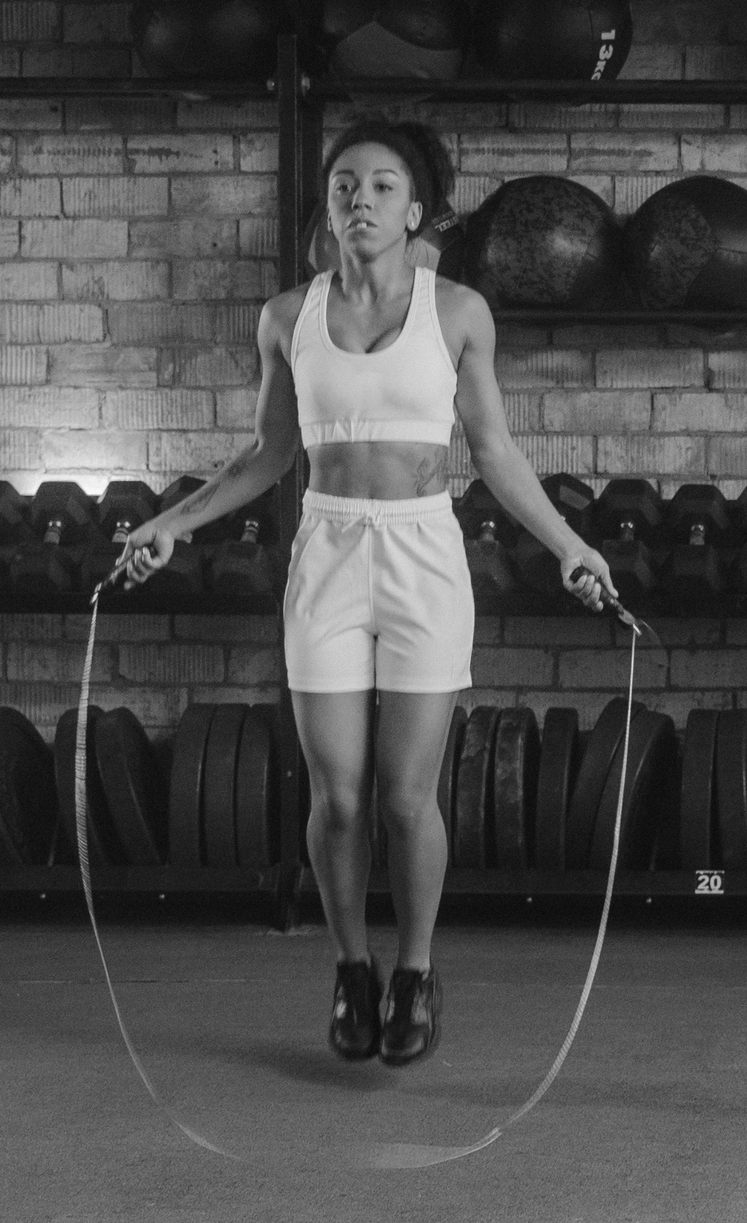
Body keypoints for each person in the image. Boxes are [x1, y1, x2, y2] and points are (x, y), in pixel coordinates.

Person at [114, 118, 617, 1068]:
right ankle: (352, 968)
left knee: (405, 796)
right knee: (339, 797)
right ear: (328, 202)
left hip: (424, 552)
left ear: (416, 210)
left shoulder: (458, 312)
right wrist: (171, 523)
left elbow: (495, 451)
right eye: (345, 183)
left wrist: (570, 545)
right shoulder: (286, 317)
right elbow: (267, 454)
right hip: (330, 552)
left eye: (384, 186)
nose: (361, 199)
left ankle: (416, 973)